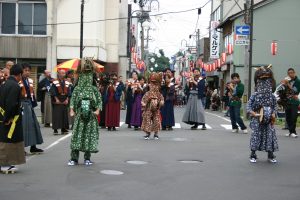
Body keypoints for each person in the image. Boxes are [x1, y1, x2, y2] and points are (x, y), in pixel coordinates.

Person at [68, 58, 102, 166]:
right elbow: (73, 100)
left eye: (89, 75)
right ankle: (74, 158)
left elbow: (99, 100)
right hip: (79, 115)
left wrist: (97, 110)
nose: (86, 77)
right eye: (84, 75)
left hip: (91, 115)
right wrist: (72, 110)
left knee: (88, 136)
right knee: (77, 135)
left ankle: (87, 158)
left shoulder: (94, 89)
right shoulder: (77, 89)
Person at [247, 65, 278, 163]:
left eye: (268, 81)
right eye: (262, 82)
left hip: (269, 119)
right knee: (256, 135)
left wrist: (273, 113)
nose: (265, 84)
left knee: (270, 136)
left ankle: (270, 154)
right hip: (257, 119)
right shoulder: (255, 95)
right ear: (258, 83)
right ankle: (253, 154)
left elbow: (275, 106)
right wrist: (253, 113)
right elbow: (248, 106)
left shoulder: (272, 96)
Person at [0, 64, 25, 173]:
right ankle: (5, 164)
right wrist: (8, 118)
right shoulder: (14, 86)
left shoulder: (5, 84)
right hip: (10, 118)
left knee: (4, 139)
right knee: (8, 141)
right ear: (19, 74)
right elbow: (11, 104)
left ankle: (6, 163)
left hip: (3, 115)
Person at [20, 63, 44, 154]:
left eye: (28, 70)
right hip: (22, 104)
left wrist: (33, 103)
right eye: (25, 70)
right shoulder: (18, 81)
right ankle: (22, 148)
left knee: (34, 125)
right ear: (21, 71)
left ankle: (33, 146)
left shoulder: (29, 80)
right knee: (24, 126)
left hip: (29, 104)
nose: (27, 72)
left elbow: (32, 92)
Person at [141, 72, 164, 140]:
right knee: (147, 120)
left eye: (156, 84)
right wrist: (145, 103)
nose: (154, 86)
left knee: (156, 120)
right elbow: (143, 101)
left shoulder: (159, 94)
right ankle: (147, 133)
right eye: (152, 84)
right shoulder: (147, 93)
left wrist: (160, 103)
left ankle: (156, 134)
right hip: (148, 108)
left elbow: (162, 100)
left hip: (156, 109)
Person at [50, 70, 71, 135]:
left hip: (64, 99)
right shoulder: (54, 82)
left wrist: (67, 99)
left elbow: (69, 91)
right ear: (58, 74)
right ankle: (55, 129)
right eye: (61, 73)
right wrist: (56, 99)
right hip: (57, 99)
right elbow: (53, 91)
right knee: (56, 115)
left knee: (64, 115)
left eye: (64, 73)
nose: (63, 74)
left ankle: (63, 129)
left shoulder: (67, 82)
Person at [282, 68, 300, 138]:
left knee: (293, 117)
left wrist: (288, 85)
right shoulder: (288, 80)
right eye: (289, 73)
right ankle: (290, 131)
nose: (290, 74)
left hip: (294, 102)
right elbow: (283, 90)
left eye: (292, 73)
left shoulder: (297, 81)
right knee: (288, 117)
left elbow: (295, 92)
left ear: (294, 73)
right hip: (287, 101)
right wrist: (283, 84)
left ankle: (293, 132)